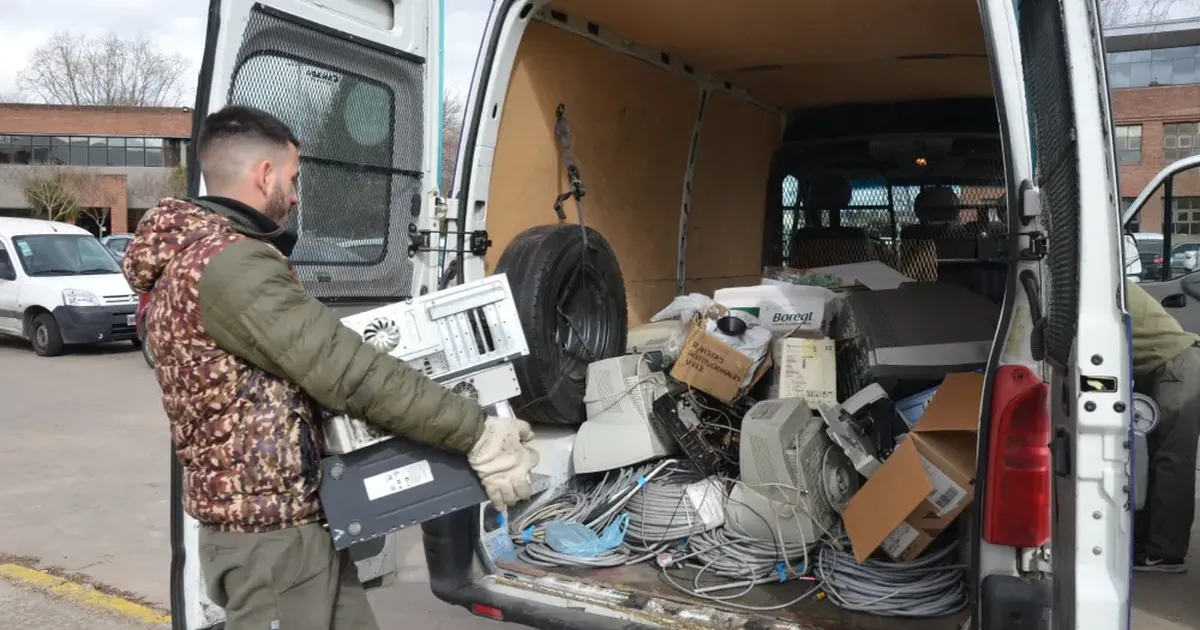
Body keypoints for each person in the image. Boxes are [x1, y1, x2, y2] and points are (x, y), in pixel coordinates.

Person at [122, 104, 540, 629]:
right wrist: (476, 434)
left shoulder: (192, 261)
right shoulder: (228, 266)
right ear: (265, 174)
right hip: (270, 541)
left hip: (288, 527)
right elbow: (347, 371)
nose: (296, 196)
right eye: (293, 179)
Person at [1128, 279, 1200, 573]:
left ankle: (1166, 553)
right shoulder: (1098, 274)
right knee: (1157, 460)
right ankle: (1149, 544)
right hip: (1170, 366)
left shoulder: (1089, 282)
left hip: (1175, 366)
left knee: (1172, 463)